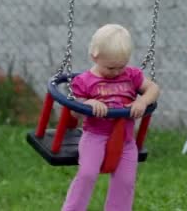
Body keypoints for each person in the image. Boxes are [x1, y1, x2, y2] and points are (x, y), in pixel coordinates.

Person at [61, 24, 161, 211]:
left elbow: (153, 89)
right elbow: (74, 111)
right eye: (111, 67)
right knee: (87, 174)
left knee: (125, 182)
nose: (116, 72)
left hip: (126, 140)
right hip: (95, 136)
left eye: (121, 67)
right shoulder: (84, 81)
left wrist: (142, 101)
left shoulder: (131, 75)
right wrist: (88, 103)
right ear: (94, 56)